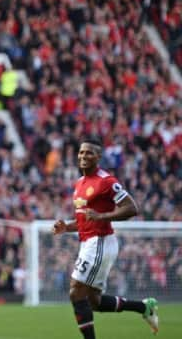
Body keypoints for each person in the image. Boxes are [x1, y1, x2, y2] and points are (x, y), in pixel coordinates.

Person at [52, 139, 159, 338]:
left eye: (89, 153)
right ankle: (144, 307)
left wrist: (103, 216)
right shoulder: (79, 184)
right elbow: (84, 220)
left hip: (100, 241)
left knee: (76, 291)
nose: (84, 156)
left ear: (98, 157)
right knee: (94, 302)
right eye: (81, 153)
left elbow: (131, 208)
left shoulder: (106, 181)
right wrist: (67, 227)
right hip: (88, 243)